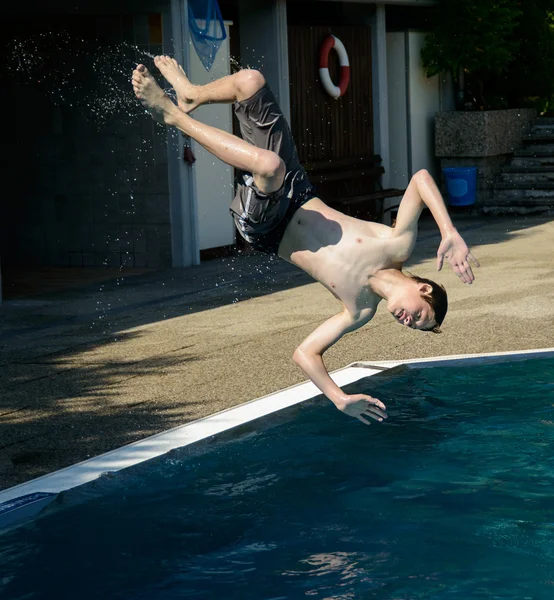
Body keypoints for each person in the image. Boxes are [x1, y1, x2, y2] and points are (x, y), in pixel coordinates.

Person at [131, 56, 480, 426]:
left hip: (267, 228)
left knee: (268, 166)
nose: (408, 322)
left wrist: (339, 398)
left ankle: (172, 115)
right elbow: (422, 179)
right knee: (250, 80)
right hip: (297, 188)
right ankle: (190, 95)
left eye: (413, 328)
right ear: (423, 288)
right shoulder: (396, 245)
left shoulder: (359, 309)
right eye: (421, 317)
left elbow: (305, 354)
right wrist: (449, 231)